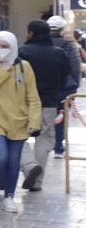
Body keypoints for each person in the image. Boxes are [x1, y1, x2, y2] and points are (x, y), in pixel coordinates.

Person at [0, 31, 38, 214]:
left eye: (5, 46)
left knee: (13, 161)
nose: (0, 50)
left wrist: (34, 120)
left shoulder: (24, 67)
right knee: (1, 156)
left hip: (18, 121)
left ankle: (9, 196)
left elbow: (33, 97)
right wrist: (3, 71)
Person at [18, 19, 75, 193]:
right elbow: (66, 74)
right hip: (48, 103)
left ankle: (30, 167)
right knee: (44, 140)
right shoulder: (58, 53)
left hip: (24, 103)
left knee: (16, 137)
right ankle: (36, 182)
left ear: (30, 33)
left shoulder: (22, 52)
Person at [48, 15, 82, 157]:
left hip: (46, 87)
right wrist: (75, 85)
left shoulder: (41, 43)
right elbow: (76, 67)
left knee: (46, 116)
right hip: (65, 88)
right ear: (62, 29)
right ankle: (58, 147)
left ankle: (45, 145)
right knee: (61, 116)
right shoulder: (68, 45)